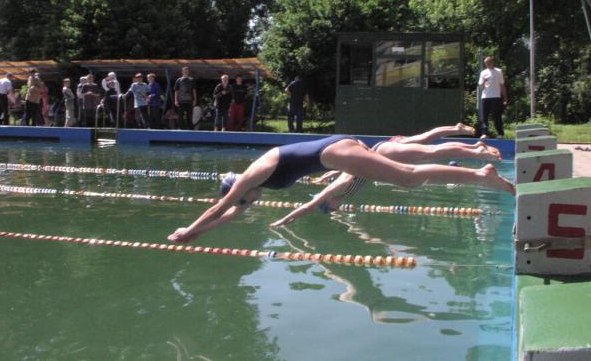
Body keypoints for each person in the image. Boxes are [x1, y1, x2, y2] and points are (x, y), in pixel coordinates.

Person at [168, 134, 515, 243]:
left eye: (243, 200)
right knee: (407, 177)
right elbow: (226, 216)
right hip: (335, 156)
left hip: (332, 152)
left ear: (238, 188)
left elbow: (219, 208)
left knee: (407, 176)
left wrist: (189, 227)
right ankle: (478, 171)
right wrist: (197, 235)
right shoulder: (251, 191)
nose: (246, 204)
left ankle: (481, 172)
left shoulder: (249, 178)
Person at [270, 124, 504, 227]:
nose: (335, 209)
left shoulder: (337, 190)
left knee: (429, 152)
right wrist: (325, 175)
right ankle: (476, 154)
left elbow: (312, 203)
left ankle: (477, 154)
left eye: (331, 208)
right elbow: (350, 164)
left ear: (330, 203)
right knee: (428, 153)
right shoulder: (346, 190)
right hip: (384, 155)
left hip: (385, 151)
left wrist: (288, 217)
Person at [478, 56, 507, 139]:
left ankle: (500, 133)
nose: (487, 64)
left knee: (497, 115)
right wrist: (483, 82)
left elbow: (502, 85)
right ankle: (485, 133)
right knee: (485, 116)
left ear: (492, 62)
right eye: (486, 63)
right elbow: (480, 85)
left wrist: (505, 97)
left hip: (496, 96)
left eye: (489, 62)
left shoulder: (499, 71)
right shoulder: (483, 72)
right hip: (485, 97)